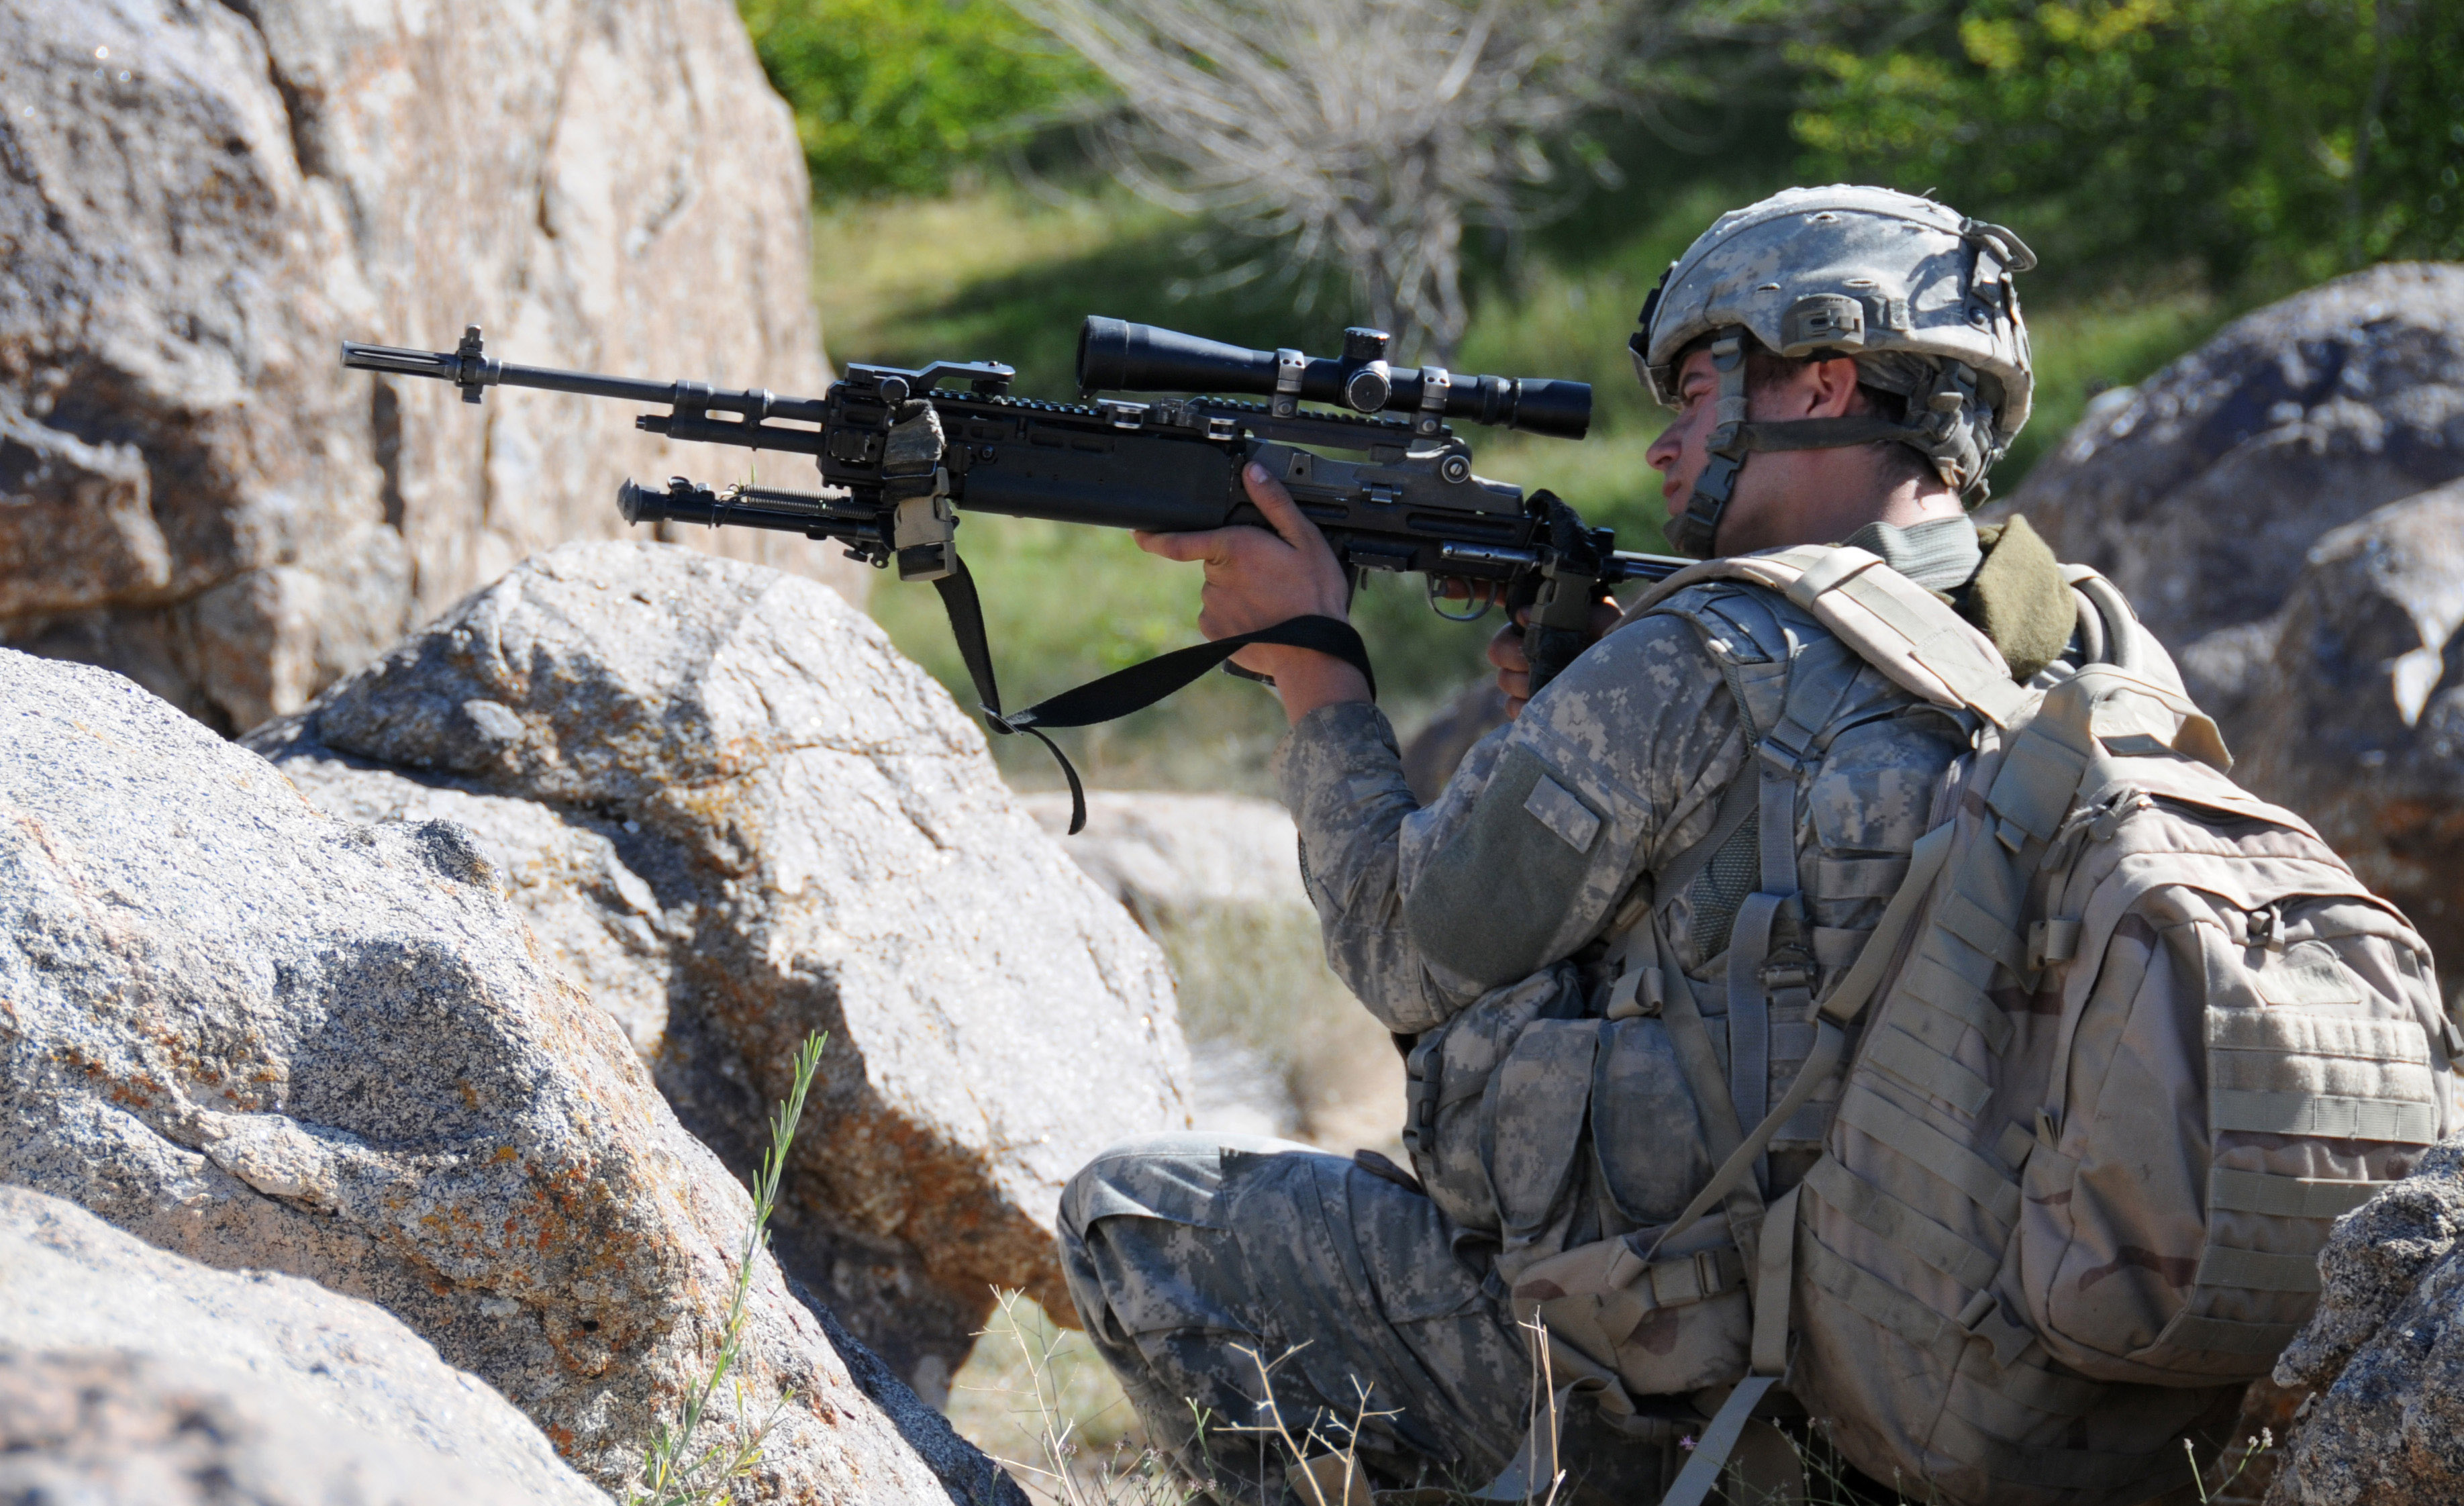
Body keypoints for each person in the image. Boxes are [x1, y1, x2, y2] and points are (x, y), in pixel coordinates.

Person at [1055, 185, 2074, 1501]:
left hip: (1716, 1417)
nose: (1664, 449)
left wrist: (1312, 665)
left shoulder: (1700, 657)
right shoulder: (2091, 659)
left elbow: (1398, 949)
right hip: (2009, 1411)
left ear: (1822, 383)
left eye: (1697, 391)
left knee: (1137, 1221)